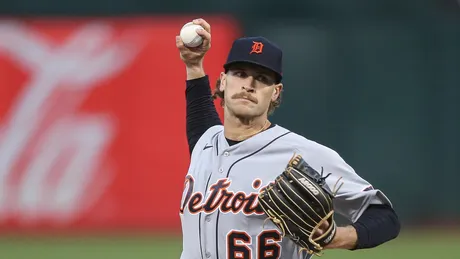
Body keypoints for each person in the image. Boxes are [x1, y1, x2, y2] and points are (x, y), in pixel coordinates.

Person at [176, 18, 400, 259]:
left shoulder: (304, 154)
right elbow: (200, 116)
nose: (249, 85)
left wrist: (336, 237)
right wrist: (194, 65)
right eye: (240, 73)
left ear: (276, 92)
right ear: (222, 81)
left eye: (262, 79)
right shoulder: (206, 142)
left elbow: (385, 218)